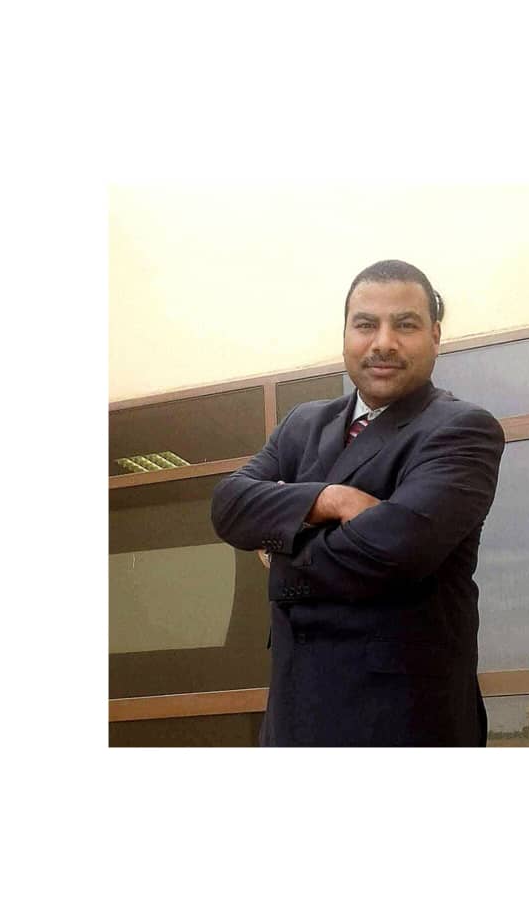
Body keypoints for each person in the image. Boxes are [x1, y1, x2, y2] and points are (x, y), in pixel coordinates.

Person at [211, 260, 505, 746]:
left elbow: (396, 549)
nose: (383, 342)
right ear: (346, 333)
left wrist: (279, 544)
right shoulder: (303, 424)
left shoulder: (460, 429)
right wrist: (329, 499)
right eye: (366, 324)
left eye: (405, 325)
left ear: (435, 335)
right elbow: (228, 506)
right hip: (294, 718)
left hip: (401, 722)